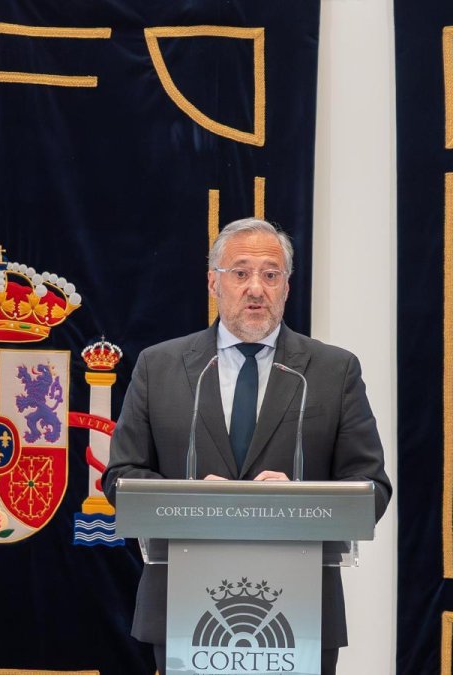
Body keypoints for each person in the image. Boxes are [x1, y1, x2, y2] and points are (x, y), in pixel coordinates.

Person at [103, 218, 392, 675]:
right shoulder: (160, 368)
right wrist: (191, 497)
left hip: (302, 612)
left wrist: (299, 496)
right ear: (213, 282)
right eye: (240, 272)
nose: (256, 288)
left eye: (270, 274)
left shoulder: (332, 372)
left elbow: (371, 488)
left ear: (287, 287)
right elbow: (120, 478)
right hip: (183, 609)